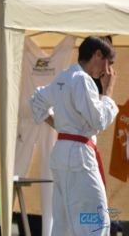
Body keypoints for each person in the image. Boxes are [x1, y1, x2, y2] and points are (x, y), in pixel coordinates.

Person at [31, 36, 118, 236]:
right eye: (108, 62)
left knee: (64, 223)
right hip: (79, 156)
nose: (107, 70)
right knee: (95, 219)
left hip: (63, 151)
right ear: (97, 54)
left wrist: (62, 127)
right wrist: (108, 92)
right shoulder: (82, 79)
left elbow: (36, 100)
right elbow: (99, 121)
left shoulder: (64, 76)